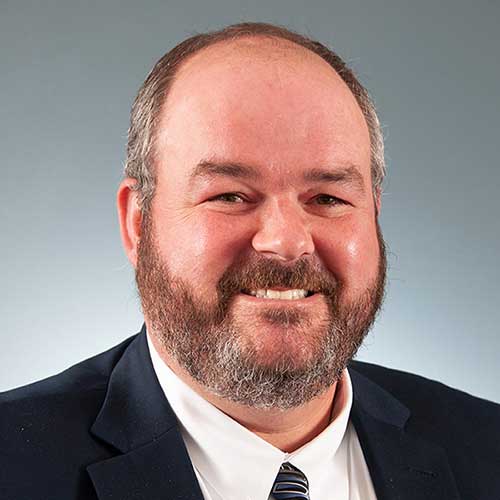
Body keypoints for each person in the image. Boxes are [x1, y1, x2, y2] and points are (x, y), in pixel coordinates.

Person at [1, 22, 498, 500]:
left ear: (373, 215)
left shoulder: (486, 449)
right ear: (138, 223)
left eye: (327, 198)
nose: (286, 241)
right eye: (232, 195)